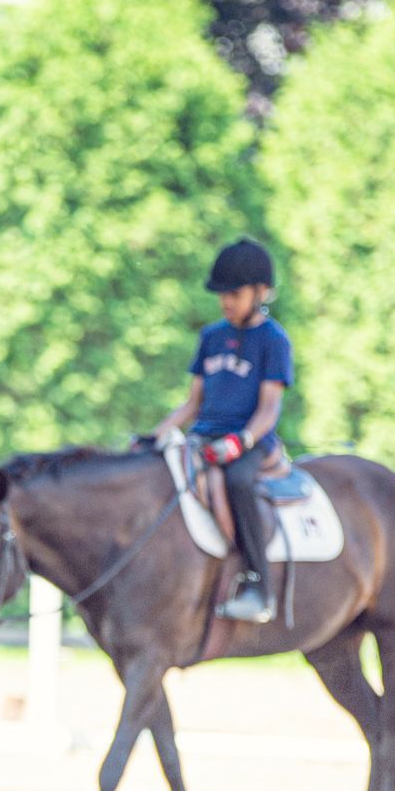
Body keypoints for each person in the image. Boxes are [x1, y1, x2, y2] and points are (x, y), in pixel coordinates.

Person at [150, 238, 293, 625]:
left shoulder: (273, 341)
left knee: (239, 483)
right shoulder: (210, 337)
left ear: (260, 292)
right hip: (204, 436)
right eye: (222, 295)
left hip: (250, 443)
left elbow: (269, 409)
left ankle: (259, 586)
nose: (226, 302)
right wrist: (156, 435)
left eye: (234, 293)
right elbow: (192, 404)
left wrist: (239, 442)